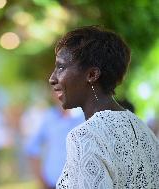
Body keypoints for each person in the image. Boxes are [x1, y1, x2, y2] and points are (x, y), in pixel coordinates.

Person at [49, 26, 159, 188]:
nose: (52, 78)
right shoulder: (142, 130)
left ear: (92, 75)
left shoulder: (85, 137)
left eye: (61, 67)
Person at [25, 104, 84, 189]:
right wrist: (41, 180)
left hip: (81, 182)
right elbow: (32, 148)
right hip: (53, 182)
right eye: (56, 90)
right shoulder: (48, 117)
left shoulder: (82, 115)